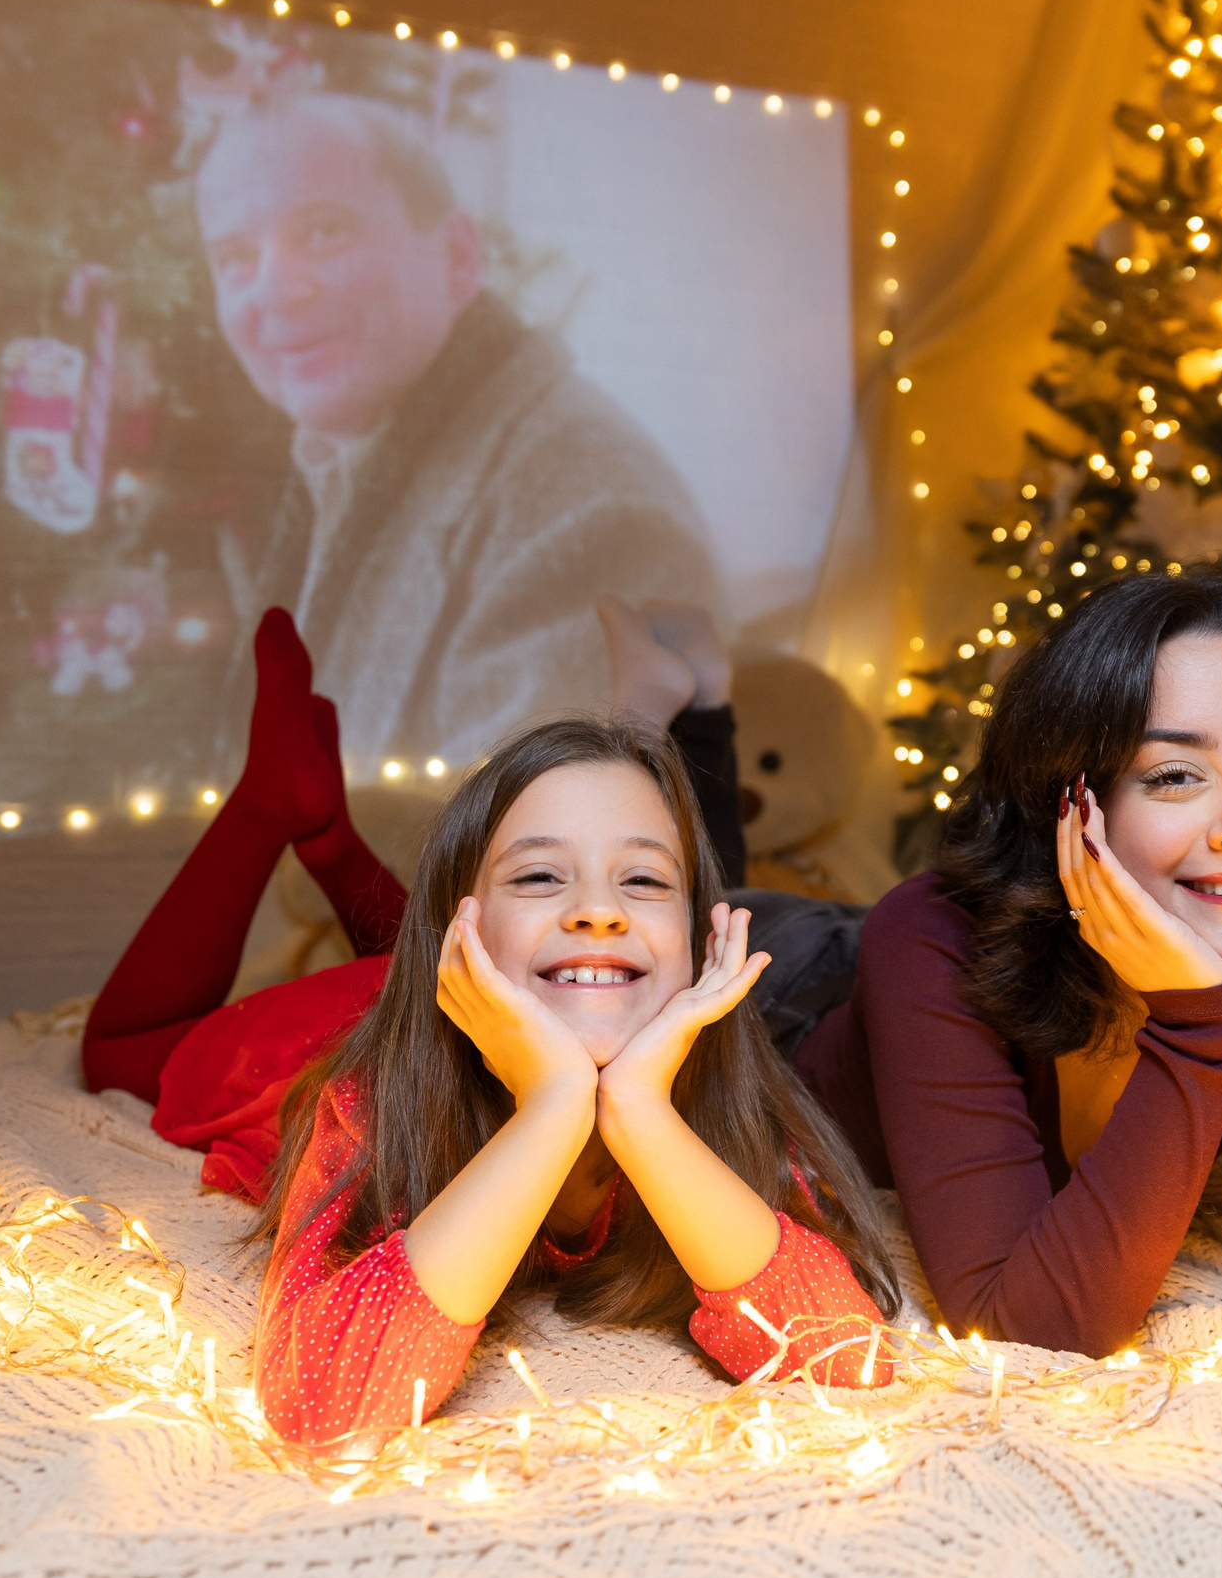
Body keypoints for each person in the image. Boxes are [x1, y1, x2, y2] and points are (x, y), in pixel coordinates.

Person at [82, 610, 897, 1443]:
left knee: (516, 943)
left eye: (644, 879)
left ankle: (333, 841)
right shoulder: (367, 1098)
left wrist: (642, 1111)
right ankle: (278, 807)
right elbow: (321, 1407)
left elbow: (847, 1355)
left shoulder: (729, 1101)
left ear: (701, 940)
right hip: (349, 1023)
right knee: (121, 1050)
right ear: (460, 936)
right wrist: (552, 1105)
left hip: (497, 977)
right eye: (543, 872)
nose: (597, 911)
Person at [793, 572, 1222, 1359]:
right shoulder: (932, 937)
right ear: (1076, 805)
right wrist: (1199, 1025)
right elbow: (1023, 1332)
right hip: (800, 988)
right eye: (1174, 776)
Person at [193, 90, 720, 777]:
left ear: (458, 257)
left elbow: (530, 872)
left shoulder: (583, 510)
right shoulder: (350, 459)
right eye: (235, 258)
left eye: (323, 232)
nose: (273, 292)